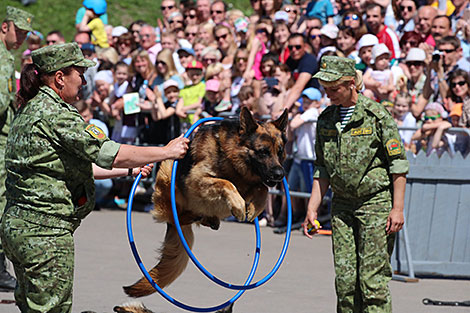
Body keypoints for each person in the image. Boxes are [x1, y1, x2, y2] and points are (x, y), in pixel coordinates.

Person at [0, 43, 189, 313]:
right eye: (79, 72)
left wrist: (130, 170)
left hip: (20, 228)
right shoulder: (56, 114)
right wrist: (165, 152)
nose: (84, 79)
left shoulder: (29, 109)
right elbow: (107, 152)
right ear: (60, 77)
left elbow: (70, 167)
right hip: (45, 235)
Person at [303, 56, 408, 312]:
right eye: (326, 90)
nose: (329, 95)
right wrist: (312, 208)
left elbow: (398, 165)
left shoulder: (376, 116)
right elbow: (322, 168)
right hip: (342, 207)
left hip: (375, 204)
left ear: (351, 83)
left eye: (334, 89)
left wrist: (397, 208)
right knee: (346, 282)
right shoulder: (326, 119)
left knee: (372, 282)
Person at [0, 5, 34, 292]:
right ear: (5, 27)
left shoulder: (6, 57)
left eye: (25, 33)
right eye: (18, 31)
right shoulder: (2, 59)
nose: (21, 37)